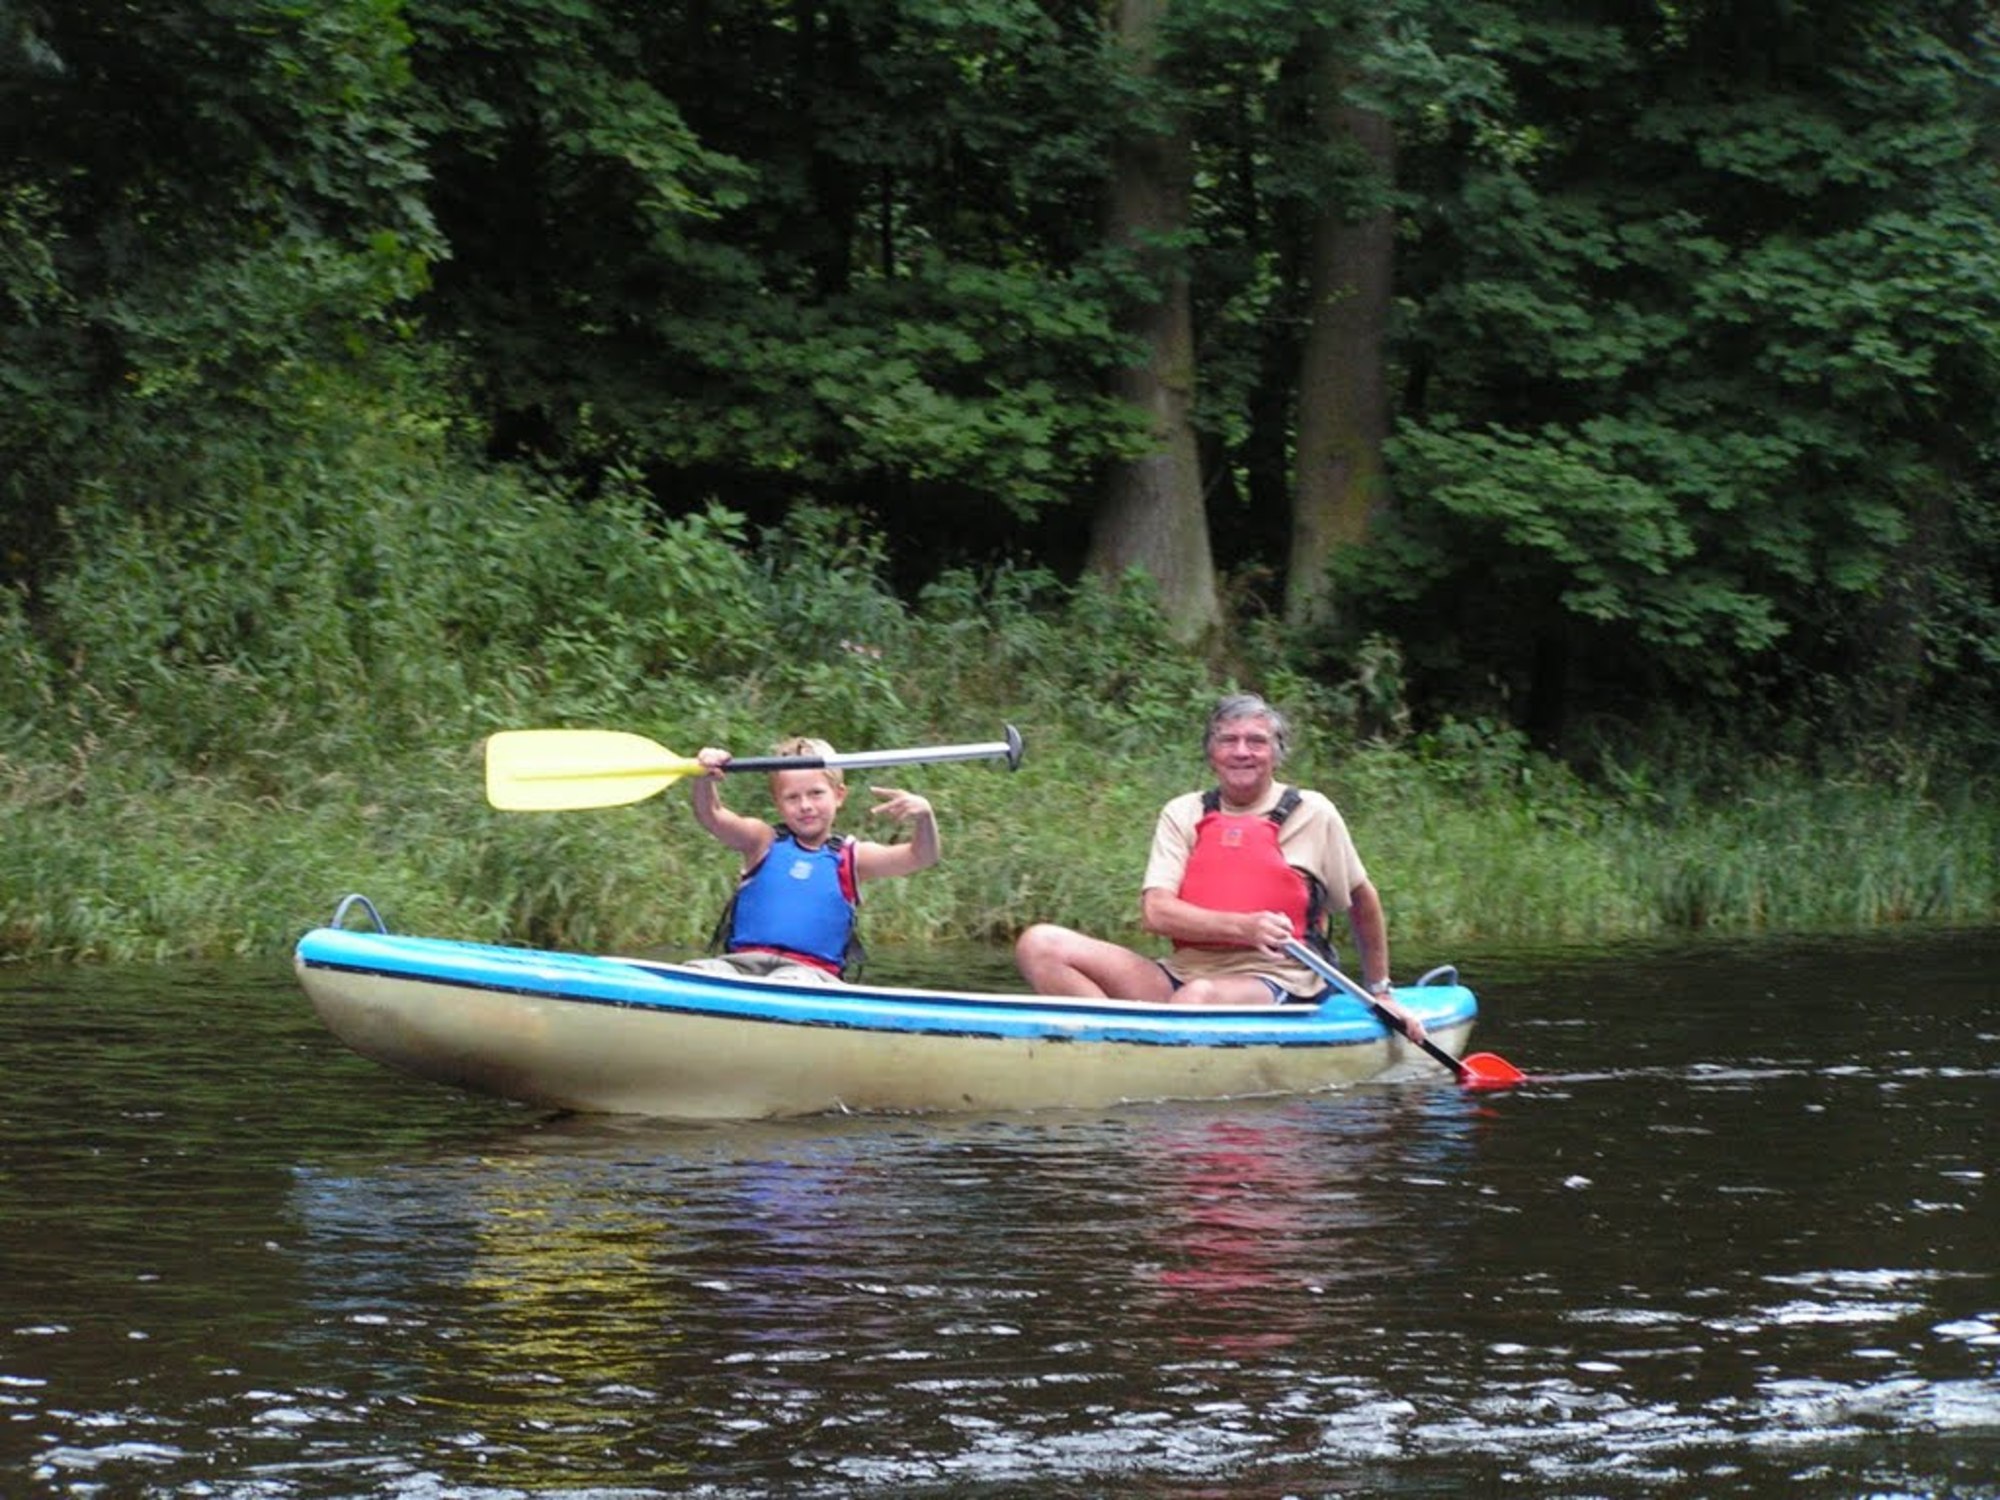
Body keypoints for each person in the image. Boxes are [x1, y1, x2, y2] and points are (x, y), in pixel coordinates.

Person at [1013, 693, 1426, 1039]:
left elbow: (1361, 900)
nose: (1242, 751)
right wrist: (1245, 927)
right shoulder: (1182, 812)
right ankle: (1108, 1047)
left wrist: (1381, 992)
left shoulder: (1314, 813)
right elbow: (1157, 913)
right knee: (1040, 944)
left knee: (1198, 997)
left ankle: (1136, 1050)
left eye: (1256, 741)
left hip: (1278, 980)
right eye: (1229, 740)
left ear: (1276, 753)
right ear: (1212, 753)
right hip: (1182, 976)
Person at [684, 735, 939, 983]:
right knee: (698, 971)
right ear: (778, 803)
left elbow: (922, 856)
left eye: (816, 793)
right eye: (792, 797)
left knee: (789, 980)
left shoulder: (853, 857)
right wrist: (704, 778)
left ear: (839, 795)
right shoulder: (761, 841)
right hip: (740, 966)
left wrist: (924, 817)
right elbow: (711, 815)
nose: (805, 805)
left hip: (811, 975)